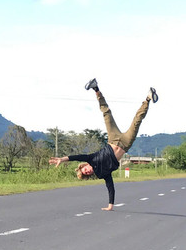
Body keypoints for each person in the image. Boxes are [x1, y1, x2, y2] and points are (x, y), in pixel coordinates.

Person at [49, 78, 158, 211]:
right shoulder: (102, 173)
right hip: (125, 144)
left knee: (106, 113)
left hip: (113, 139)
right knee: (137, 121)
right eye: (87, 173)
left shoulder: (91, 158)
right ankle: (148, 99)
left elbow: (75, 156)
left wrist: (62, 159)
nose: (87, 171)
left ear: (85, 166)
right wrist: (110, 206)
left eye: (85, 170)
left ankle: (96, 89)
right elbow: (110, 186)